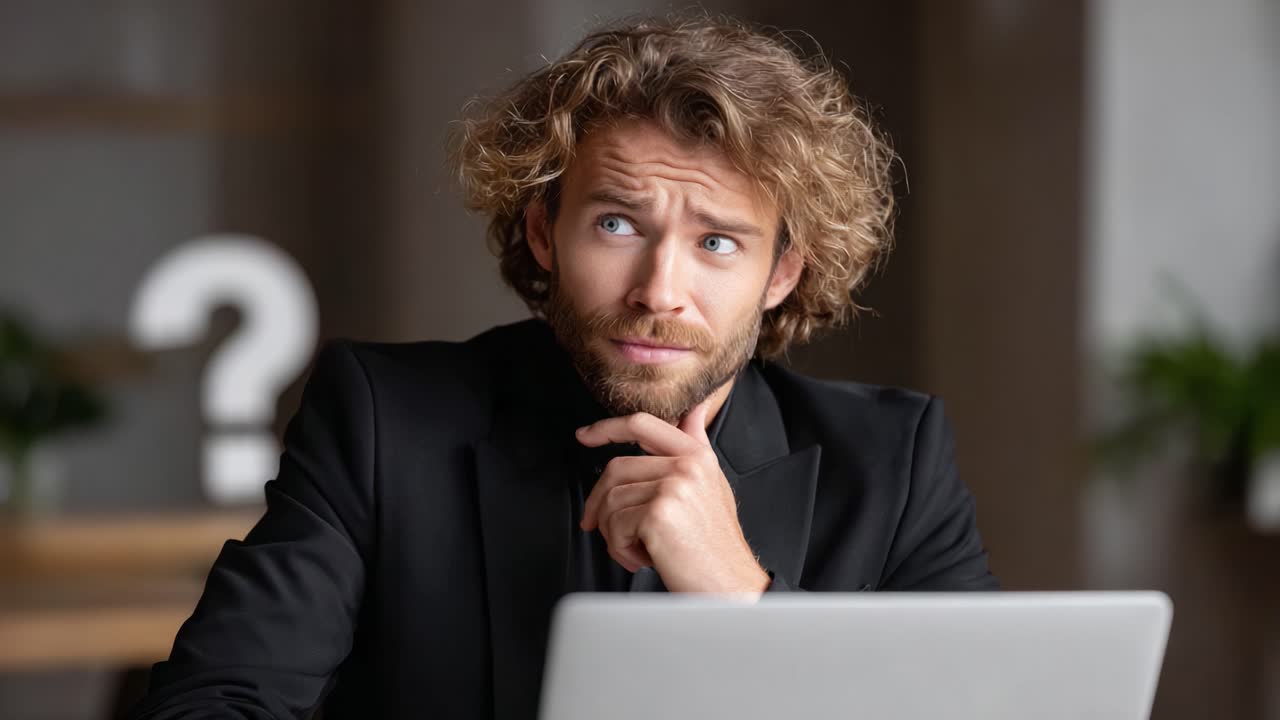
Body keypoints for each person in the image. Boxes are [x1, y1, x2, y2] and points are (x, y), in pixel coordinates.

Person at [132, 14, 997, 720]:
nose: (660, 291)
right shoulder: (382, 421)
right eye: (617, 224)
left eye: (718, 242)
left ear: (781, 272)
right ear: (544, 231)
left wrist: (745, 599)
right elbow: (211, 705)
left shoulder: (895, 461)